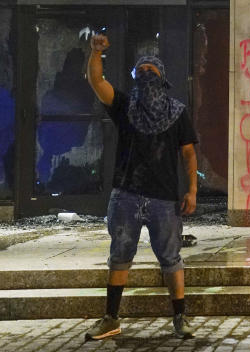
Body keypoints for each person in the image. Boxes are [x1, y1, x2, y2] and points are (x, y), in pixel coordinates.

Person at [83, 33, 198, 341]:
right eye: (141, 70)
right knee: (119, 255)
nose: (146, 73)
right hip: (126, 195)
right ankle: (111, 318)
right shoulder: (125, 106)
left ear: (163, 77)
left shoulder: (177, 112)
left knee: (171, 258)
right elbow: (97, 82)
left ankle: (180, 317)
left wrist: (192, 191)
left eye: (152, 70)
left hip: (164, 198)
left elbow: (188, 152)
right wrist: (95, 53)